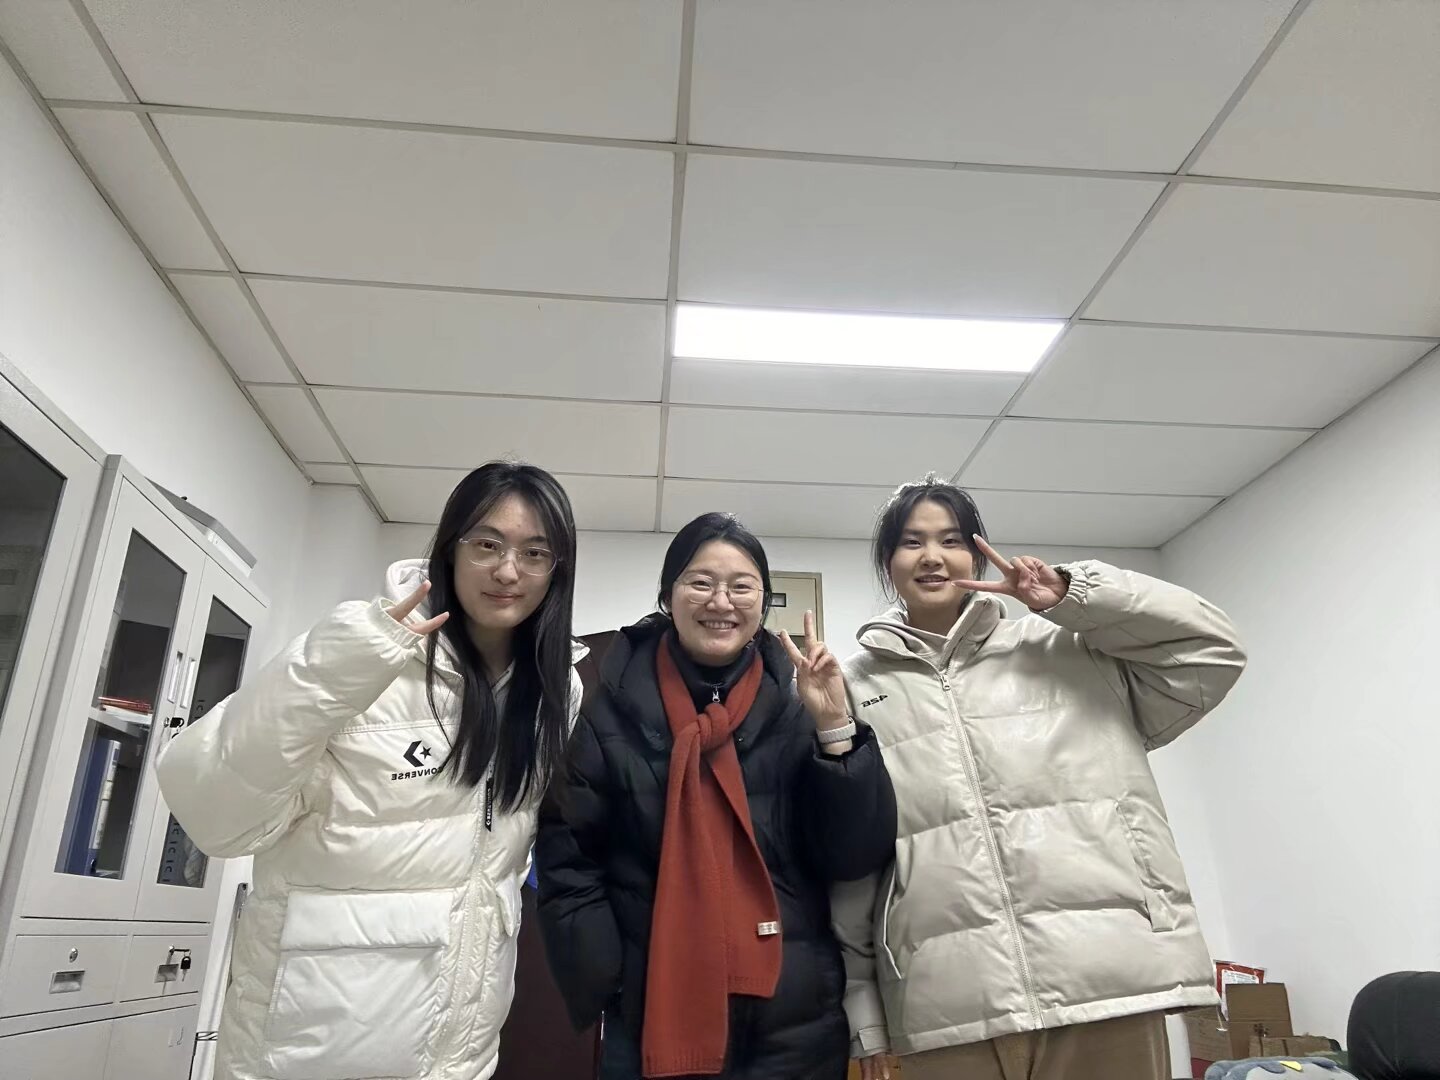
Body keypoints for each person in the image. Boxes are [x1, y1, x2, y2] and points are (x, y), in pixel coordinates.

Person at [157, 461, 584, 1080]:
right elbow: (218, 820)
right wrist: (337, 665)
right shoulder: (363, 656)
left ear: (556, 571)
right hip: (312, 1046)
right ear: (450, 548)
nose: (508, 571)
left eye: (535, 553)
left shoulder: (551, 693)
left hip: (458, 1048)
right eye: (487, 544)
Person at [833, 476, 1247, 1080]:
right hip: (947, 1002)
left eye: (951, 540)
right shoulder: (853, 687)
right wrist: (865, 1009)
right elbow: (853, 864)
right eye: (911, 542)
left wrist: (1075, 598)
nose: (931, 557)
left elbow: (1211, 650)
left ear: (977, 553)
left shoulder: (1068, 645)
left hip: (1106, 981)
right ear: (887, 562)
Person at [535, 512, 898, 1080]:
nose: (721, 602)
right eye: (701, 582)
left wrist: (834, 727)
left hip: (794, 1017)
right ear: (668, 595)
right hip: (653, 1008)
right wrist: (612, 978)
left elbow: (853, 856)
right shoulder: (609, 707)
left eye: (741, 586)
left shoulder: (797, 705)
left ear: (764, 602)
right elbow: (568, 853)